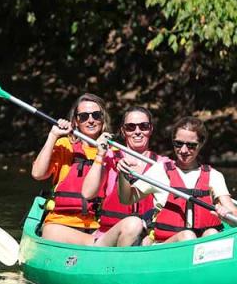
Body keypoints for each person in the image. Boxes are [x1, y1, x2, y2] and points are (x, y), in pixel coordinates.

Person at [31, 93, 139, 246]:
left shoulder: (113, 152)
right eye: (83, 116)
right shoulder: (64, 145)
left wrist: (103, 153)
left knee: (132, 225)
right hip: (60, 224)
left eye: (96, 115)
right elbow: (38, 174)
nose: (90, 120)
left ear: (103, 119)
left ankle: (99, 246)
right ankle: (97, 246)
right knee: (51, 231)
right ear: (76, 121)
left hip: (96, 227)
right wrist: (53, 135)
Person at [118, 116, 237, 243]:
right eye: (178, 144)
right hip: (167, 244)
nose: (184, 150)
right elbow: (127, 199)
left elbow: (233, 214)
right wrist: (123, 175)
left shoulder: (214, 175)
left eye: (191, 145)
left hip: (201, 247)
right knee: (187, 235)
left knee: (212, 233)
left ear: (201, 144)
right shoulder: (159, 170)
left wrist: (226, 214)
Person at [82, 106, 166, 245]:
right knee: (133, 225)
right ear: (123, 131)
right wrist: (100, 154)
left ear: (150, 129)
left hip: (147, 237)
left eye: (143, 126)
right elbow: (87, 193)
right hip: (109, 235)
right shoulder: (109, 157)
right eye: (131, 127)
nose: (137, 131)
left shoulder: (162, 164)